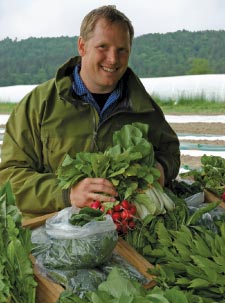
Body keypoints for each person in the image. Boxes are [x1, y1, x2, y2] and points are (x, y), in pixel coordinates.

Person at [0, 5, 180, 218]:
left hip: (126, 230)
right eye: (103, 47)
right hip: (54, 233)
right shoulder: (38, 105)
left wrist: (161, 170)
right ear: (82, 46)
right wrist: (67, 194)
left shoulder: (144, 107)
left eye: (122, 50)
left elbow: (170, 152)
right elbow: (9, 178)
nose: (113, 59)